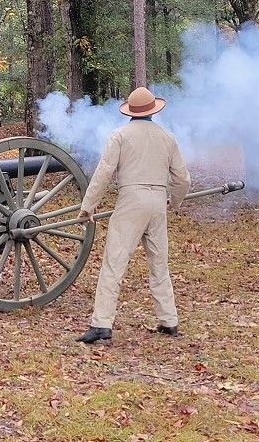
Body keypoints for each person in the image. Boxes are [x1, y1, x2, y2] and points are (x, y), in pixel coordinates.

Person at [76, 86, 191, 344]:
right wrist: (176, 201)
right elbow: (183, 178)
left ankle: (102, 324)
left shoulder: (120, 135)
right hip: (158, 202)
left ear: (131, 112)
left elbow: (104, 172)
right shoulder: (167, 137)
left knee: (114, 263)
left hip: (131, 201)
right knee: (159, 264)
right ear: (153, 111)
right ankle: (169, 320)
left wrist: (89, 205)